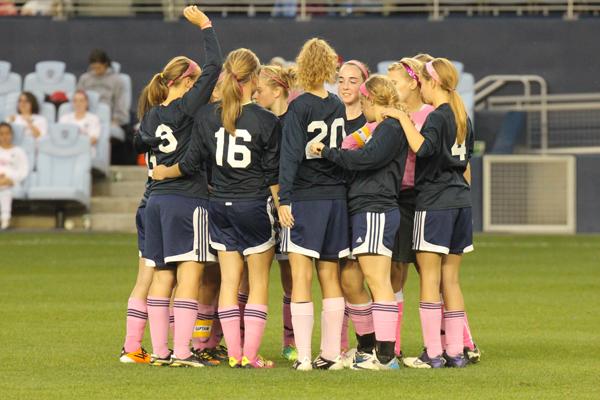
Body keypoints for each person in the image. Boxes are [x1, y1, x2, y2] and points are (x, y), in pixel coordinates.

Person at [153, 48, 281, 369]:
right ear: (254, 78)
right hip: (254, 205)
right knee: (258, 283)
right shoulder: (266, 120)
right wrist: (282, 207)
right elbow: (273, 173)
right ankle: (250, 355)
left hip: (219, 205)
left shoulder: (209, 115)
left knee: (228, 281)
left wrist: (164, 171)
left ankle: (235, 353)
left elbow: (191, 162)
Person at [137, 5, 222, 368]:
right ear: (188, 82)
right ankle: (184, 352)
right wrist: (205, 26)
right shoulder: (188, 108)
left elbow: (141, 144)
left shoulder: (151, 115)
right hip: (187, 200)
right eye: (198, 80)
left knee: (162, 275)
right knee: (189, 274)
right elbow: (216, 65)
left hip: (155, 202)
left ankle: (159, 351)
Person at [310, 75, 408, 370]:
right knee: (351, 279)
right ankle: (366, 347)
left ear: (370, 100)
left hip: (376, 208)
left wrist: (326, 152)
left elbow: (366, 159)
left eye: (364, 102)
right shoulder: (377, 128)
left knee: (377, 280)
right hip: (360, 208)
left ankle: (387, 355)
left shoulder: (391, 128)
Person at [382, 58, 475, 368]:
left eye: (423, 80)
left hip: (434, 202)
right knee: (451, 281)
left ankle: (433, 353)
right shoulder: (463, 116)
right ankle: (456, 352)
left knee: (430, 278)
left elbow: (423, 149)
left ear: (432, 82)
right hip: (460, 202)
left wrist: (401, 118)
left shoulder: (436, 117)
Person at [278, 38, 348, 371]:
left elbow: (290, 155)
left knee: (302, 276)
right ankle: (332, 355)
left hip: (306, 197)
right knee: (330, 276)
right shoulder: (336, 104)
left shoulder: (299, 105)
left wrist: (284, 198)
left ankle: (304, 356)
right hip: (335, 198)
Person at [386, 57, 435, 358]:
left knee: (435, 275)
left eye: (395, 83)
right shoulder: (391, 114)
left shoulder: (431, 115)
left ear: (413, 82)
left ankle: (459, 342)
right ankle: (393, 345)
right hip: (399, 197)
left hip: (427, 197)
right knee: (395, 270)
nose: (391, 89)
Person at [253, 64, 298, 361]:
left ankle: (290, 340)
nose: (255, 95)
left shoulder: (293, 121)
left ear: (278, 90)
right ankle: (240, 341)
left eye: (260, 90)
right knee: (249, 278)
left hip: (286, 205)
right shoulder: (260, 121)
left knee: (290, 277)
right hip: (260, 204)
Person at [77, 49, 128, 140]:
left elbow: (120, 103)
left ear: (105, 64)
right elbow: (78, 99)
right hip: (87, 117)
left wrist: (115, 120)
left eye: (99, 68)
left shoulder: (117, 80)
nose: (96, 71)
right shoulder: (84, 79)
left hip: (108, 119)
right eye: (94, 68)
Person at [0, 122, 28, 230]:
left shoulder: (19, 151)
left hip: (13, 183)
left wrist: (11, 180)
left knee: (5, 189)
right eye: (1, 134)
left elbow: (23, 170)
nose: (4, 137)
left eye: (7, 133)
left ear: (12, 135)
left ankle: (5, 218)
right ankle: (5, 218)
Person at [59, 90, 101, 156]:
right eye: (75, 101)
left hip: (85, 151)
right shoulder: (64, 118)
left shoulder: (93, 119)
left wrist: (77, 146)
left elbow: (94, 139)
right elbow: (59, 136)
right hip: (67, 149)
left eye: (81, 100)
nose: (78, 104)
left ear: (86, 103)